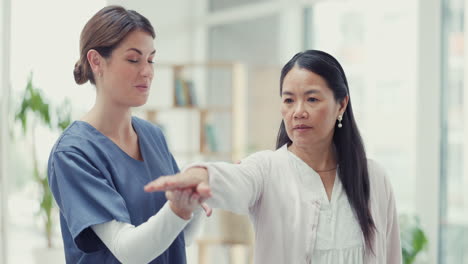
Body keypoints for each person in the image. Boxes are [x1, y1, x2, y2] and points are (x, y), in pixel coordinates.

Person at [145, 50, 402, 264]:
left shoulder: (374, 177)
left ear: (341, 104)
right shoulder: (267, 169)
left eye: (312, 99)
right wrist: (194, 176)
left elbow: (392, 256)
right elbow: (231, 178)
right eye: (289, 100)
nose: (298, 112)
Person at [47, 5, 207, 264]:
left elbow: (178, 238)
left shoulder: (154, 136)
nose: (147, 71)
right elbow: (129, 252)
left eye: (151, 59)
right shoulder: (74, 153)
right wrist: (178, 208)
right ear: (96, 61)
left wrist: (194, 203)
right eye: (134, 59)